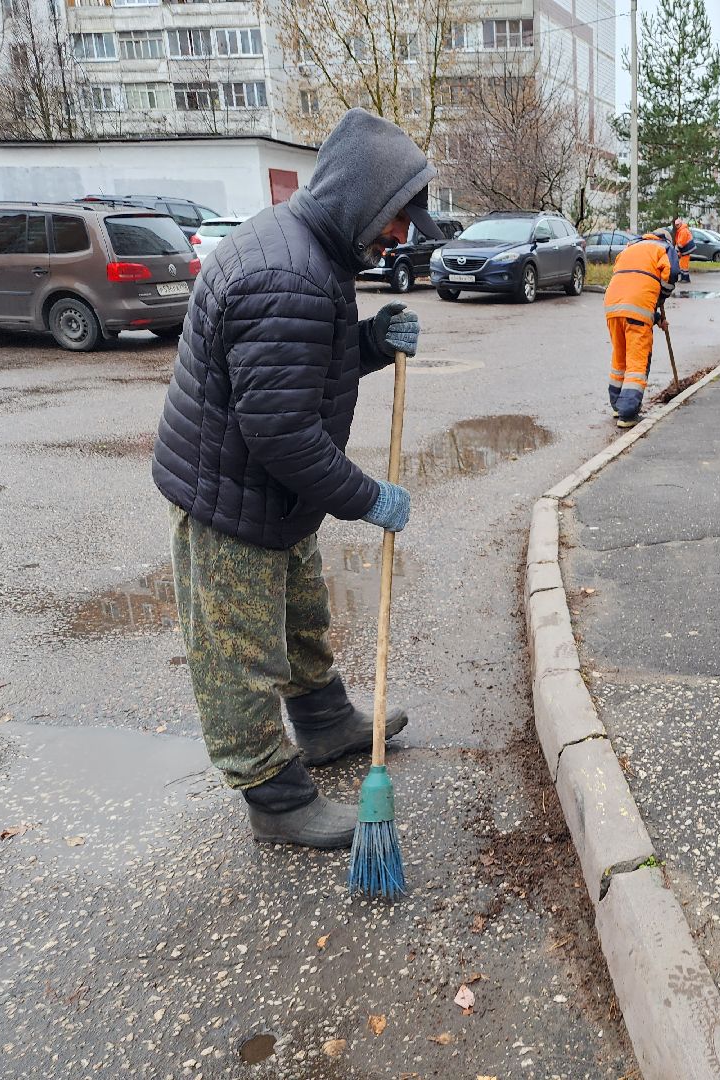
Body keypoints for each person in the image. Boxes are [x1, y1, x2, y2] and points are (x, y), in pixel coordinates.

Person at [152, 108, 442, 847]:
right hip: (234, 501)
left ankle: (324, 722)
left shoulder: (310, 251)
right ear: (359, 199)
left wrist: (369, 343)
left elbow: (297, 363)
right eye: (395, 217)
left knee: (300, 616)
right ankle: (276, 799)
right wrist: (365, 497)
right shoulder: (289, 272)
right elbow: (280, 431)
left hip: (270, 495)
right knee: (240, 656)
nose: (402, 236)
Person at [605, 227, 675, 428]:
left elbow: (634, 281)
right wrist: (661, 296)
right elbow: (671, 275)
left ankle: (617, 405)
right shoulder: (664, 248)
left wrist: (657, 316)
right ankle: (628, 414)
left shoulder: (632, 246)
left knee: (620, 356)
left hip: (613, 305)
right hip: (637, 305)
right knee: (637, 363)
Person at [673, 217, 695, 285]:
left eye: (677, 225)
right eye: (676, 225)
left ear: (680, 224)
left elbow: (681, 243)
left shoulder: (683, 231)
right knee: (682, 264)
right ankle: (683, 278)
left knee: (684, 265)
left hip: (686, 250)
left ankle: (686, 279)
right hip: (685, 250)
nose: (676, 226)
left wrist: (677, 251)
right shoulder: (681, 230)